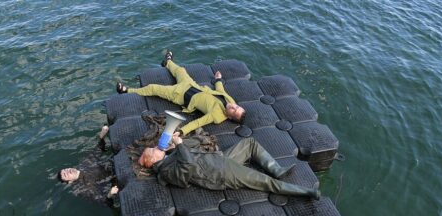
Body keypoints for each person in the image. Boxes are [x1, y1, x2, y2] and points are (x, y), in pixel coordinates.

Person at [138, 132, 321, 200]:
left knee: (249, 143)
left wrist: (177, 143)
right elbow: (188, 166)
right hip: (220, 173)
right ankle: (307, 192)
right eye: (153, 150)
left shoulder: (167, 157)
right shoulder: (166, 172)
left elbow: (193, 149)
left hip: (219, 159)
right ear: (152, 161)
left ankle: (277, 169)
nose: (156, 147)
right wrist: (178, 146)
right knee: (266, 183)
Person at [116, 51, 246, 136]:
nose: (233, 107)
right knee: (181, 71)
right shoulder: (231, 101)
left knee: (153, 88)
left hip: (181, 95)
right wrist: (218, 79)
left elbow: (198, 123)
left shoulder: (217, 116)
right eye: (237, 107)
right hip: (192, 86)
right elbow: (221, 91)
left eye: (234, 111)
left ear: (229, 117)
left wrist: (181, 131)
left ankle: (127, 91)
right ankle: (167, 62)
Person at [58, 126, 119, 203]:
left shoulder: (84, 164)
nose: (67, 171)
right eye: (66, 175)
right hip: (116, 179)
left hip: (114, 164)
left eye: (65, 169)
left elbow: (97, 151)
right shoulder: (84, 188)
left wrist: (102, 136)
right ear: (69, 182)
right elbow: (101, 200)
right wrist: (110, 193)